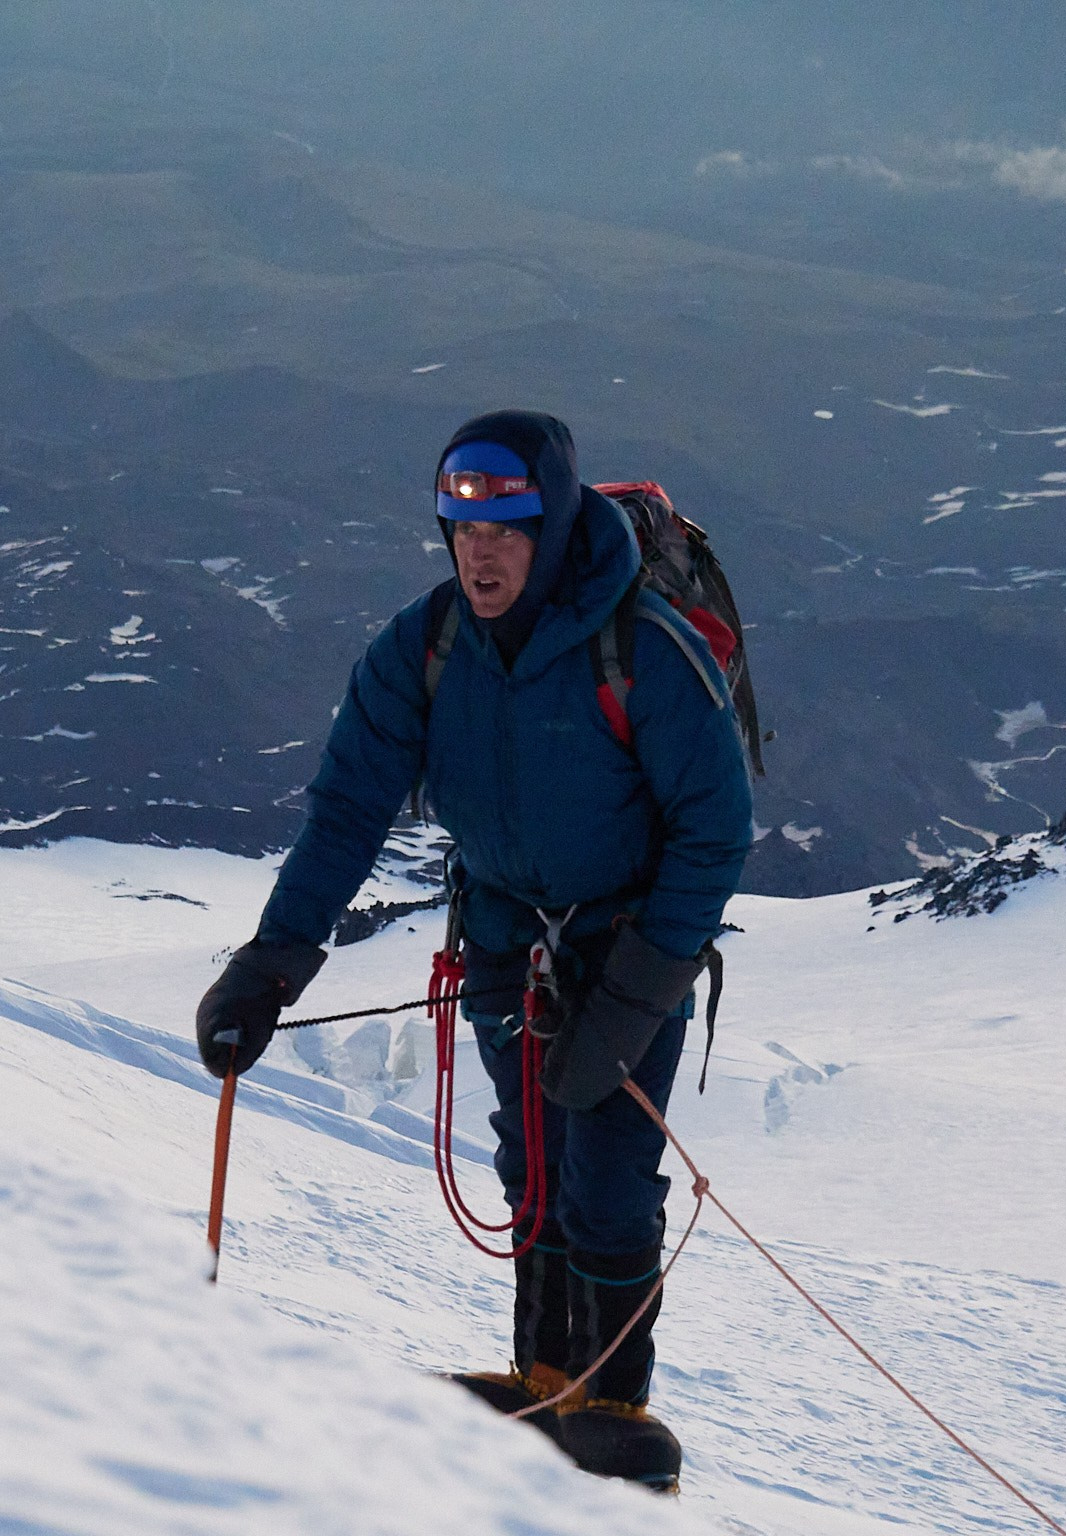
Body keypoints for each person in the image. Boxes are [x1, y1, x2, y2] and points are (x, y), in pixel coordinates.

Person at [196, 409, 752, 1490]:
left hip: (629, 941)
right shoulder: (426, 645)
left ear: (547, 526)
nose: (476, 553)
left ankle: (612, 1403)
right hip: (504, 939)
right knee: (530, 1153)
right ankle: (544, 1376)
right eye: (457, 530)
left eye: (500, 531)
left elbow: (713, 832)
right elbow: (347, 807)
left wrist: (635, 997)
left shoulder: (636, 644)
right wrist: (272, 962)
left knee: (607, 1171)